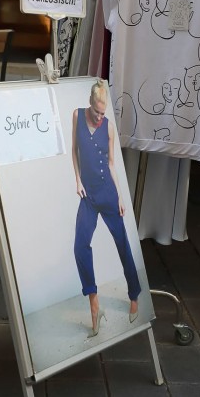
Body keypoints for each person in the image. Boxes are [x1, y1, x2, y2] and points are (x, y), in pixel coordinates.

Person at [72, 79, 141, 336]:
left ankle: (134, 294)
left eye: (103, 113)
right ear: (90, 103)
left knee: (122, 244)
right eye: (97, 112)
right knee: (80, 246)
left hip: (108, 193)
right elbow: (74, 151)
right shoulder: (77, 116)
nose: (100, 117)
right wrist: (77, 180)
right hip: (88, 195)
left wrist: (120, 197)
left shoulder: (109, 127)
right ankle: (94, 303)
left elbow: (111, 164)